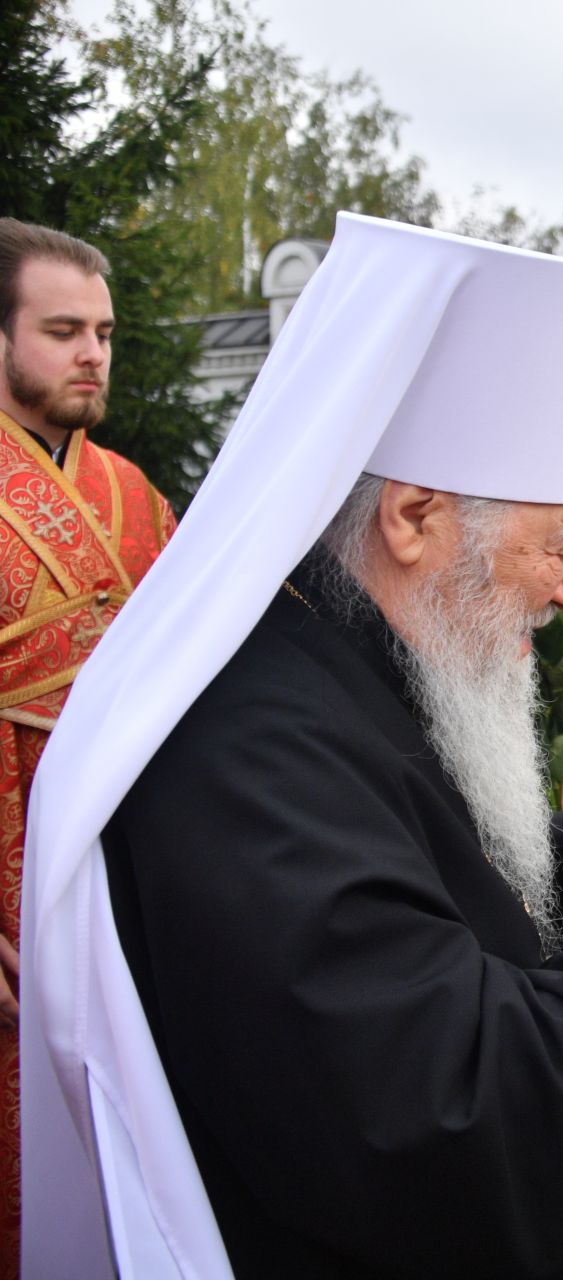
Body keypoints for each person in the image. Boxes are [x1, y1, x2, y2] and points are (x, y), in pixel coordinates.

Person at [22, 214, 563, 1278]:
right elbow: (452, 1099)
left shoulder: (347, 662)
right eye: (556, 544)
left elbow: (411, 908)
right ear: (413, 517)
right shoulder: (245, 753)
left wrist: (559, 857)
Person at [0, 218, 175, 1276]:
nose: (92, 354)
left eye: (102, 331)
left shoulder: (132, 493)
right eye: (62, 329)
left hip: (134, 898)